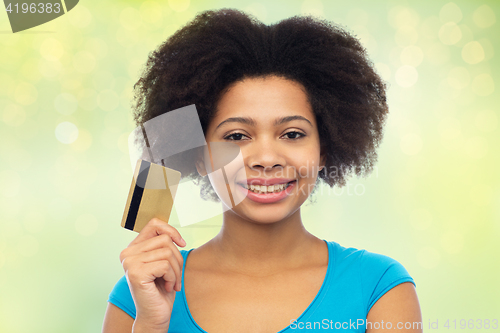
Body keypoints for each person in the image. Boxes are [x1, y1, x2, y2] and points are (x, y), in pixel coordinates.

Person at [102, 8, 422, 333]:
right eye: (237, 136)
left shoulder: (378, 289)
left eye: (292, 134)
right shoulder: (139, 292)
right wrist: (151, 324)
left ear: (323, 150)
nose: (266, 158)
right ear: (200, 155)